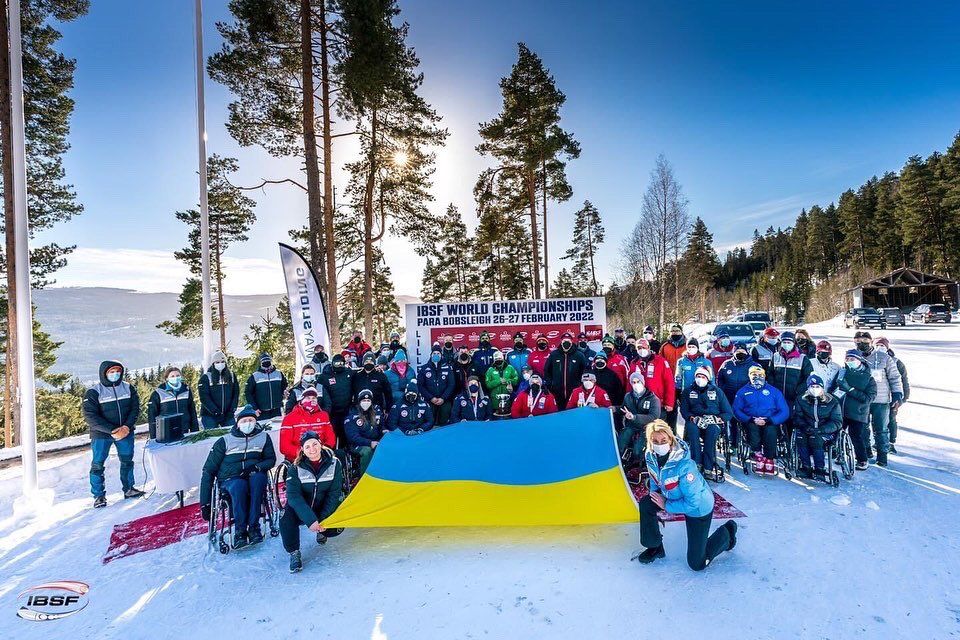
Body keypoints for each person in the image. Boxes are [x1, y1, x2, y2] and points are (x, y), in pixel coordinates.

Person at [635, 419, 737, 569]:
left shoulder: (685, 465)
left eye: (663, 440)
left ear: (670, 440)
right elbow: (654, 479)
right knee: (646, 504)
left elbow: (692, 503)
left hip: (698, 507)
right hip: (671, 497)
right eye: (655, 440)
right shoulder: (650, 455)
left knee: (697, 563)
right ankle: (655, 547)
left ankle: (727, 533)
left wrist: (666, 505)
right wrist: (655, 496)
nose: (659, 444)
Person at [199, 405, 277, 549]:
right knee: (239, 486)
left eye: (251, 420)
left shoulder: (263, 437)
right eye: (244, 421)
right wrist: (205, 503)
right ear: (237, 423)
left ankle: (254, 528)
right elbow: (208, 471)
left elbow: (271, 459)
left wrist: (257, 467)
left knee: (259, 480)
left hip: (254, 473)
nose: (248, 423)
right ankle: (240, 531)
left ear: (255, 422)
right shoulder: (225, 441)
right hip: (230, 478)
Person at [280, 431, 344, 573]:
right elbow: (294, 497)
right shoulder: (295, 468)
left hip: (323, 506)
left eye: (315, 444)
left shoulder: (335, 463)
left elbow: (334, 493)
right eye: (307, 447)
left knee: (337, 525)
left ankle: (323, 531)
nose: (312, 449)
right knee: (285, 517)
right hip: (303, 508)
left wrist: (321, 519)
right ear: (302, 450)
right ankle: (294, 552)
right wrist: (310, 520)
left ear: (320, 444)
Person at [83, 360, 143, 507]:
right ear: (104, 374)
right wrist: (112, 430)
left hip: (125, 432)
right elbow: (90, 416)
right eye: (111, 372)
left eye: (117, 371)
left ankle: (129, 488)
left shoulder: (128, 388)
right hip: (102, 435)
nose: (115, 374)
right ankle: (99, 496)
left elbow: (135, 408)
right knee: (97, 464)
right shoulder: (94, 392)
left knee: (127, 461)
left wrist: (127, 427)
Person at [854, 331, 903, 467]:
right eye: (858, 342)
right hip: (862, 400)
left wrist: (897, 394)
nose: (861, 344)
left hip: (881, 400)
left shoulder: (884, 357)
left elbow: (894, 377)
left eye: (865, 341)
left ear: (871, 342)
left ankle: (882, 457)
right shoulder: (854, 357)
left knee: (881, 429)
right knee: (862, 428)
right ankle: (866, 452)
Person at [732, 365, 790, 475]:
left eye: (760, 375)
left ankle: (769, 457)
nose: (757, 377)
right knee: (752, 430)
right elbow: (736, 409)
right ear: (749, 376)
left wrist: (771, 420)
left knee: (771, 430)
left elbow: (784, 411)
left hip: (769, 420)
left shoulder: (774, 391)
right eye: (754, 375)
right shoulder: (742, 392)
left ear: (764, 376)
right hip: (751, 420)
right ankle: (757, 453)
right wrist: (748, 419)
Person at [679, 367, 733, 479]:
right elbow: (684, 410)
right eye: (698, 376)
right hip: (695, 420)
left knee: (712, 431)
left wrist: (717, 419)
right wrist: (692, 418)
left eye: (703, 377)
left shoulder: (717, 391)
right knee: (692, 430)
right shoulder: (687, 391)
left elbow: (728, 413)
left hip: (713, 421)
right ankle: (696, 463)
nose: (700, 379)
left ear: (708, 379)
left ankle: (708, 466)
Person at [833, 348, 878, 470]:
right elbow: (833, 388)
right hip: (840, 410)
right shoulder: (842, 372)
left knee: (856, 436)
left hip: (858, 413)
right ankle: (840, 454)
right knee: (836, 433)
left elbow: (868, 398)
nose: (849, 361)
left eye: (852, 359)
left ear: (859, 360)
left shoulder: (869, 378)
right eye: (847, 359)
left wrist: (850, 389)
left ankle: (862, 459)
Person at [792, 374, 842, 479]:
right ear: (808, 388)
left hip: (826, 432)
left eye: (817, 387)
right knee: (800, 436)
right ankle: (806, 467)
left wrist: (821, 430)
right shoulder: (801, 399)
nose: (815, 389)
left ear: (822, 387)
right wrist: (805, 427)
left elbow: (837, 422)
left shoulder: (832, 401)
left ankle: (820, 469)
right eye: (812, 387)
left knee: (816, 438)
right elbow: (798, 417)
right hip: (807, 429)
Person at [715, 344, 756, 447]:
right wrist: (722, 390)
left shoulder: (754, 365)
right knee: (733, 420)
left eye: (742, 351)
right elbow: (719, 378)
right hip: (730, 396)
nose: (740, 353)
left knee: (747, 420)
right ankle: (734, 444)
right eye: (738, 351)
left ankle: (750, 443)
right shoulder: (726, 364)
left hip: (747, 398)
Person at [280, 388, 336, 462]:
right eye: (308, 398)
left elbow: (330, 438)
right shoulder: (289, 418)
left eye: (314, 398)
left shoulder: (323, 416)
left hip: (320, 455)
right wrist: (304, 453)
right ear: (301, 400)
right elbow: (284, 446)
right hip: (298, 458)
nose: (311, 400)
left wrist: (322, 450)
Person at [630, 339, 676, 425]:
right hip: (640, 402)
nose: (642, 349)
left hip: (658, 402)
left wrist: (669, 402)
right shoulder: (634, 363)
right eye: (639, 348)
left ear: (648, 347)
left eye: (644, 347)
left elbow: (669, 382)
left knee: (658, 428)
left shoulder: (660, 361)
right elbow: (630, 384)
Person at [875, 337, 909, 454]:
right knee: (877, 421)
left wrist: (902, 397)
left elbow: (903, 380)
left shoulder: (896, 361)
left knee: (891, 419)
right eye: (877, 345)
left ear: (887, 347)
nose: (879, 348)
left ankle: (891, 442)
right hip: (878, 397)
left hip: (892, 397)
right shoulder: (872, 359)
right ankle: (878, 442)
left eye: (882, 346)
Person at [619, 372, 662, 464]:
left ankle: (639, 465)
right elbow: (622, 409)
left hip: (647, 427)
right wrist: (613, 408)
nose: (636, 384)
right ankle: (622, 462)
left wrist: (634, 417)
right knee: (621, 442)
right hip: (632, 426)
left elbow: (654, 417)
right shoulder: (628, 396)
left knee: (638, 450)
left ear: (643, 383)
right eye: (633, 382)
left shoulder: (653, 399)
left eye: (638, 382)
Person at [147, 366, 200, 437]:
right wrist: (153, 436)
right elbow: (152, 415)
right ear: (167, 378)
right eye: (172, 376)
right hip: (166, 429)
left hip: (184, 428)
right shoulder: (158, 393)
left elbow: (192, 411)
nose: (175, 378)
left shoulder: (186, 390)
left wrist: (195, 430)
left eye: (178, 375)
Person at [345, 389, 388, 475]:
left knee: (386, 448)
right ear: (359, 401)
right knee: (367, 451)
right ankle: (365, 477)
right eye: (364, 400)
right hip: (358, 445)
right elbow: (353, 437)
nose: (366, 402)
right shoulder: (352, 415)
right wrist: (370, 443)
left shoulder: (376, 412)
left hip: (375, 442)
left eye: (368, 400)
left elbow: (381, 426)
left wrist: (384, 430)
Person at [769, 330, 813, 409]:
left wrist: (798, 391)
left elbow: (809, 377)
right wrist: (773, 387)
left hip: (795, 397)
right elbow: (770, 373)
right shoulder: (775, 356)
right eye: (784, 342)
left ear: (794, 343)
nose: (786, 344)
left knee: (792, 417)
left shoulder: (802, 358)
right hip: (778, 395)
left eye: (789, 342)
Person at [544, 332, 587, 409]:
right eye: (564, 341)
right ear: (561, 342)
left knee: (573, 412)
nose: (566, 343)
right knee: (559, 413)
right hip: (557, 392)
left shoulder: (579, 355)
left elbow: (585, 370)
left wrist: (580, 384)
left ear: (572, 342)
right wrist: (550, 384)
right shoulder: (554, 354)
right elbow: (547, 370)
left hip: (574, 391)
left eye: (568, 341)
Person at [198, 350, 240, 430]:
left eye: (222, 361)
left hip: (228, 414)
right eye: (217, 362)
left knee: (232, 434)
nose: (220, 364)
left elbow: (236, 393)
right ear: (213, 364)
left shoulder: (231, 376)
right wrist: (215, 412)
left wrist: (232, 410)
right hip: (210, 415)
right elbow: (204, 397)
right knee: (211, 438)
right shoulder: (206, 377)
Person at [419, 345, 456, 426]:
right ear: (431, 355)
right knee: (429, 421)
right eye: (434, 353)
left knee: (444, 419)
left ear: (441, 355)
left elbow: (451, 384)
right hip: (430, 400)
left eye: (438, 353)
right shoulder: (424, 368)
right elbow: (421, 386)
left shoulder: (447, 368)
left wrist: (443, 398)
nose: (436, 355)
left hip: (444, 400)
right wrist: (431, 398)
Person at [322, 353, 354, 443]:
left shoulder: (349, 373)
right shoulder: (325, 375)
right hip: (333, 413)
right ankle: (332, 453)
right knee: (332, 436)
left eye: (341, 363)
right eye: (336, 364)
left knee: (345, 435)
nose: (339, 365)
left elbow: (360, 376)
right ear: (332, 364)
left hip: (346, 411)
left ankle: (345, 453)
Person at [244, 353, 287, 420]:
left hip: (276, 409)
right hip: (261, 411)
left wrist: (283, 394)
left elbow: (284, 386)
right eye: (264, 361)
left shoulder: (279, 373)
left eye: (268, 361)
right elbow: (248, 393)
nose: (266, 363)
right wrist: (254, 408)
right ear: (261, 363)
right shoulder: (255, 376)